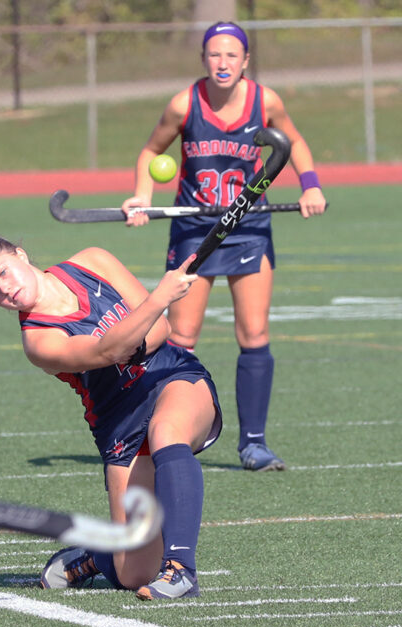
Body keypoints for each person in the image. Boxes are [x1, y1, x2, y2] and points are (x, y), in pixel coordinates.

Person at [0, 231, 223, 600]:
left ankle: (181, 571)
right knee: (134, 574)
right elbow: (103, 352)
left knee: (166, 431)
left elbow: (162, 328)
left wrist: (138, 331)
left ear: (19, 253)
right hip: (120, 423)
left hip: (170, 376)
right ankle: (101, 557)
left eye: (3, 272)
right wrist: (157, 300)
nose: (5, 290)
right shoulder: (38, 342)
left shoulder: (93, 260)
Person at [120, 21, 327, 472]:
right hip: (195, 230)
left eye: (232, 55)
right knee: (182, 338)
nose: (223, 63)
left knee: (253, 334)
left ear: (246, 60)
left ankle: (254, 444)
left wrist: (310, 186)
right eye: (215, 54)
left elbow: (295, 144)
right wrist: (142, 196)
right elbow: (149, 151)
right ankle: (171, 435)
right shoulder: (184, 104)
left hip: (250, 227)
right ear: (203, 59)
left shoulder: (265, 100)